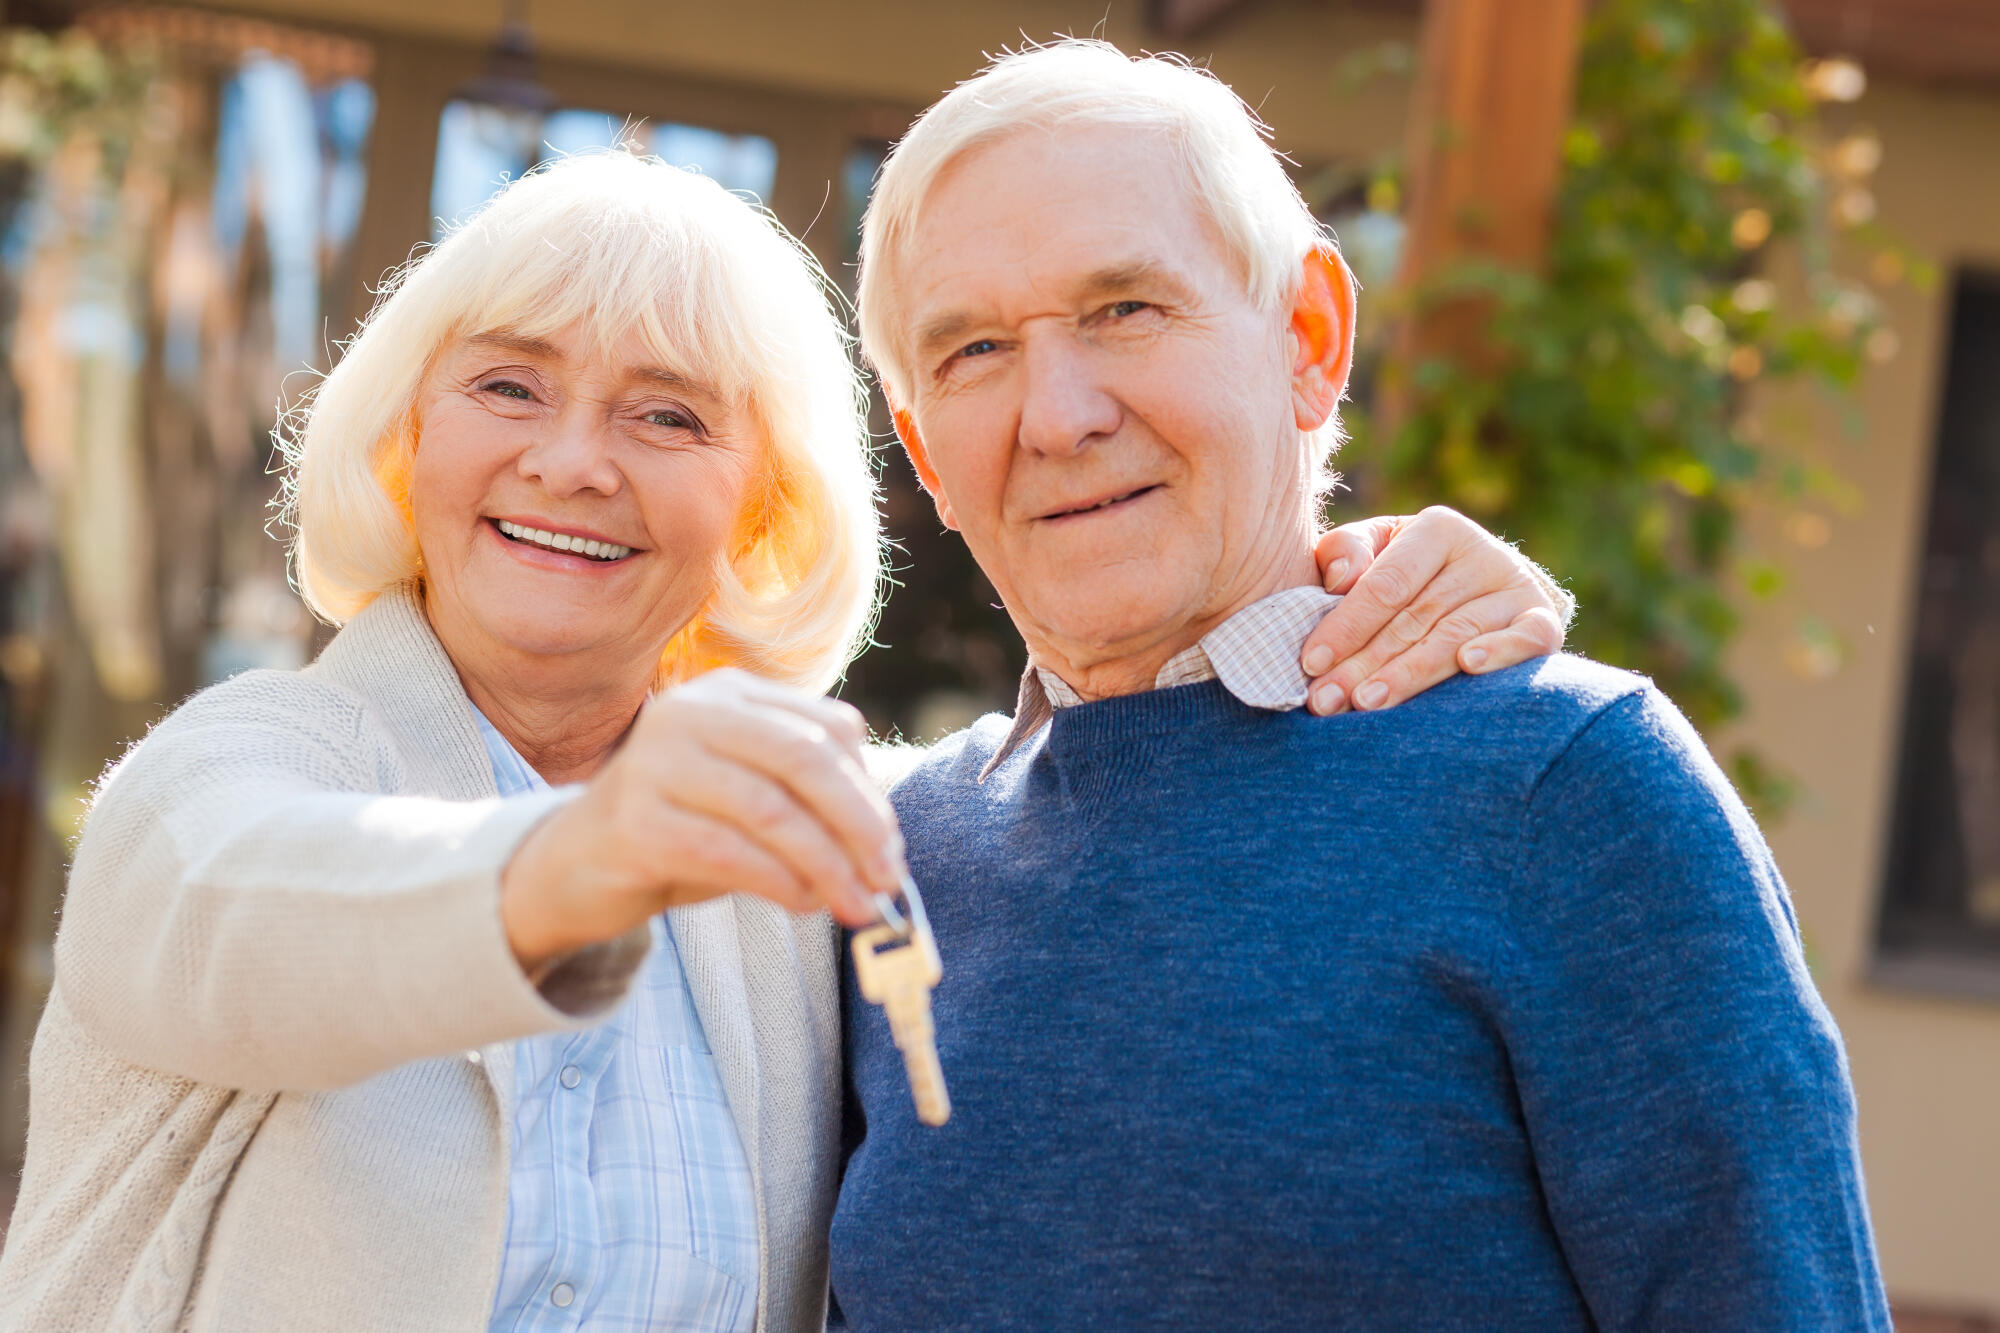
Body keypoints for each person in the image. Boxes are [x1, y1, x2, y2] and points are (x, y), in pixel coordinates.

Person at [0, 149, 1569, 1330]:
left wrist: (1379, 579)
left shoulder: (808, 849)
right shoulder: (232, 781)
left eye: (668, 415)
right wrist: (589, 857)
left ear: (765, 508)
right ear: (408, 444)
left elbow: (1088, 798)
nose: (572, 460)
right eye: (506, 387)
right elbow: (265, 909)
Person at [830, 39, 1892, 1331]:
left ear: (1311, 338)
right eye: (976, 348)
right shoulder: (885, 863)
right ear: (924, 450)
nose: (1058, 414)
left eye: (1125, 309)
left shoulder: (1567, 792)